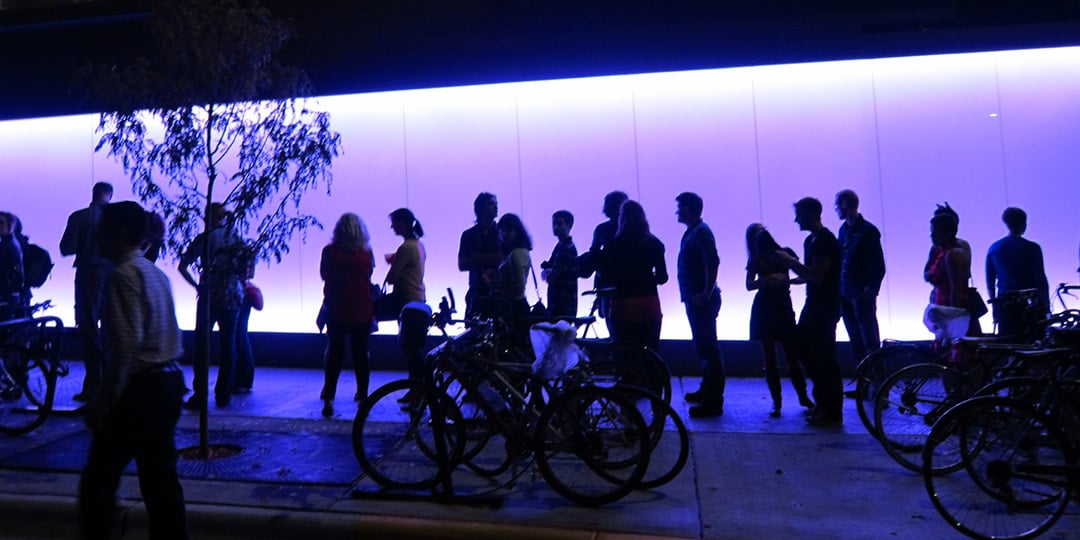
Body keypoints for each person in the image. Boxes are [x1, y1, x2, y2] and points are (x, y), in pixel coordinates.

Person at [78, 200, 188, 540]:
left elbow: (127, 346)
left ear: (121, 232)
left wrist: (103, 400)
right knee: (161, 483)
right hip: (168, 383)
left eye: (103, 229)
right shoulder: (155, 274)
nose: (97, 236)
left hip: (140, 391)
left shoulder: (123, 276)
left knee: (98, 482)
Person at [775, 197, 843, 426]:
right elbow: (814, 275)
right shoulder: (813, 240)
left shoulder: (823, 240)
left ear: (813, 213)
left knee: (823, 357)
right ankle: (824, 403)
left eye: (800, 215)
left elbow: (817, 275)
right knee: (809, 352)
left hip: (823, 306)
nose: (796, 220)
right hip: (816, 304)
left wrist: (791, 262)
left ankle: (830, 408)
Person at [178, 202, 244, 409]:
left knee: (202, 346)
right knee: (228, 345)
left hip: (209, 295)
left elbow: (183, 265)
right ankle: (223, 394)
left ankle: (200, 394)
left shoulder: (204, 239)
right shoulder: (235, 239)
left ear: (208, 217)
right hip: (232, 296)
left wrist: (197, 285)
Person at [745, 224, 813, 417]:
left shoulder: (765, 257)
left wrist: (783, 281)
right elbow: (749, 285)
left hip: (774, 308)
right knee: (778, 358)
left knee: (785, 357)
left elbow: (804, 276)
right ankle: (789, 400)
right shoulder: (773, 256)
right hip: (774, 308)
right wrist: (774, 280)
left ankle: (788, 401)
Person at [59, 181, 114, 401]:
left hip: (87, 274)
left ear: (93, 194)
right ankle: (110, 385)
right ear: (109, 195)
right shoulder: (116, 219)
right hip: (113, 275)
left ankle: (92, 385)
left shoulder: (78, 217)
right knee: (110, 331)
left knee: (89, 331)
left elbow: (66, 249)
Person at [319, 213, 375, 418]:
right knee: (361, 354)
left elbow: (324, 275)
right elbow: (369, 275)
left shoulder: (329, 252)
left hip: (336, 308)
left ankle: (329, 399)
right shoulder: (366, 253)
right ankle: (363, 396)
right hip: (361, 308)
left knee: (335, 353)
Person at [675, 193, 725, 418]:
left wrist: (706, 292)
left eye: (680, 207)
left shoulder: (700, 232)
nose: (677, 211)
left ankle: (713, 400)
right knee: (704, 347)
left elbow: (712, 261)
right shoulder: (694, 232)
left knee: (708, 349)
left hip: (701, 299)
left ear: (689, 209)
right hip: (696, 298)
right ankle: (708, 391)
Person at [597, 200, 668, 354]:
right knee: (650, 352)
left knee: (625, 353)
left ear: (621, 218)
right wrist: (648, 277)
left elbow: (606, 276)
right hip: (648, 304)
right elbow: (663, 278)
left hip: (622, 305)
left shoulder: (612, 246)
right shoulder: (654, 243)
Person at [835, 189, 885, 364]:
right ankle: (866, 383)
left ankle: (879, 384)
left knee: (870, 340)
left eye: (837, 205)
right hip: (845, 293)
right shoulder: (843, 230)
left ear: (845, 205)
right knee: (856, 340)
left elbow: (878, 264)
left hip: (860, 294)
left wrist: (870, 290)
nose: (836, 209)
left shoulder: (868, 231)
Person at [985, 207, 1050, 337]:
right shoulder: (1033, 248)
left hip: (1005, 304)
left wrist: (995, 307)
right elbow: (1041, 280)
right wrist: (1046, 305)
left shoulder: (994, 248)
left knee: (1009, 344)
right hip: (1031, 305)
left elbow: (990, 281)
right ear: (1024, 223)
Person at [386, 208, 429, 387]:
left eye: (394, 222)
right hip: (418, 298)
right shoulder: (418, 245)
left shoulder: (405, 248)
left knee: (409, 348)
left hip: (406, 301)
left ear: (402, 224)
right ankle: (416, 389)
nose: (392, 226)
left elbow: (392, 278)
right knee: (414, 348)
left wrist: (395, 262)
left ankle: (416, 389)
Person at [578, 191, 628, 333]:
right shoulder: (635, 229)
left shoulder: (602, 229)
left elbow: (593, 255)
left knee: (613, 328)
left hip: (607, 285)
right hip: (630, 286)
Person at [925, 212, 982, 337]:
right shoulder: (940, 251)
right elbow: (927, 275)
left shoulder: (954, 253)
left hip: (951, 309)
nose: (932, 235)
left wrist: (953, 319)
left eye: (936, 232)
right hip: (943, 308)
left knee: (958, 350)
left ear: (947, 232)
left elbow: (956, 288)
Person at [458, 192, 501, 318]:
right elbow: (462, 264)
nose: (496, 207)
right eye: (491, 204)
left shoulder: (501, 232)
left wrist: (476, 258)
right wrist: (492, 259)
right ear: (480, 208)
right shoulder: (469, 234)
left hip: (499, 294)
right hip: (476, 293)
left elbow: (503, 259)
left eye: (496, 204)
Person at [493, 213, 533, 342]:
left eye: (509, 230)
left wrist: (496, 290)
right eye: (502, 230)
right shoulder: (520, 251)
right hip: (517, 306)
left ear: (517, 231)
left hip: (514, 310)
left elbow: (518, 289)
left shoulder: (516, 254)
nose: (504, 233)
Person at [540, 210, 578, 319]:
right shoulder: (560, 247)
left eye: (559, 223)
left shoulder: (566, 248)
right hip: (560, 304)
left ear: (569, 225)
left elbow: (550, 278)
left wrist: (547, 272)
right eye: (554, 223)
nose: (555, 227)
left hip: (562, 306)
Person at [0, 212, 24, 322]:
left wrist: (12, 291)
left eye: (1, 223)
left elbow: (16, 272)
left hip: (7, 296)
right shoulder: (7, 244)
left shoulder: (10, 246)